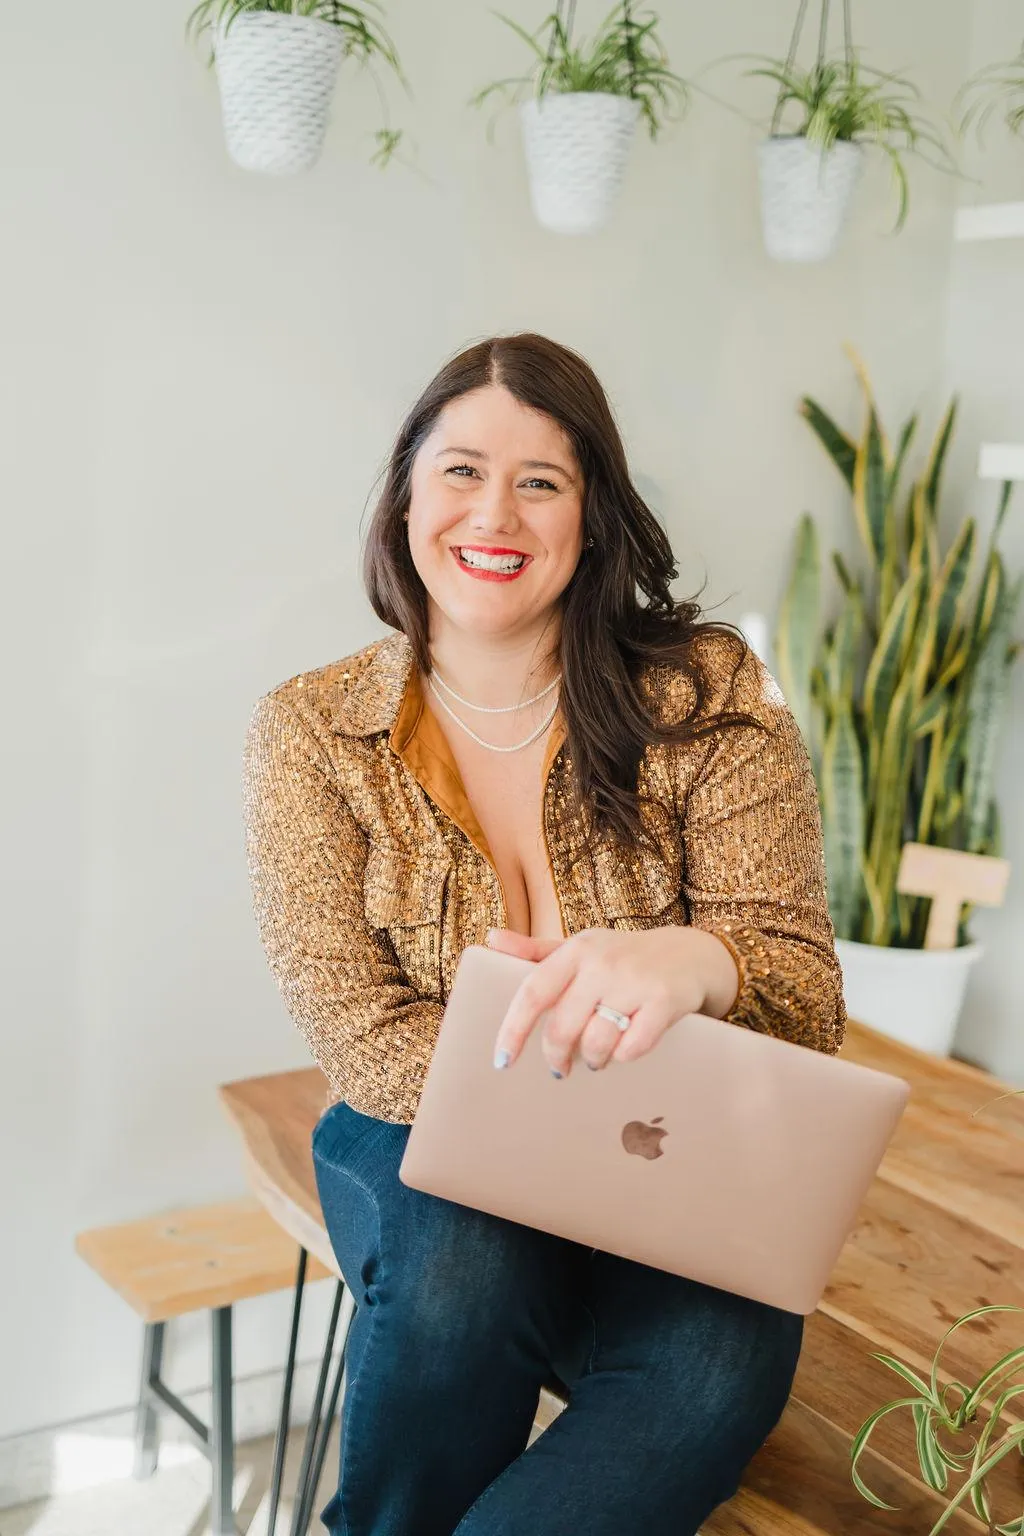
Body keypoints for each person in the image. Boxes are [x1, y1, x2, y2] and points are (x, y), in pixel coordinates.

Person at [242, 332, 846, 1536]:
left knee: (724, 1362)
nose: (495, 513)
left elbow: (804, 994)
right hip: (410, 1133)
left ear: (592, 516)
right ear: (407, 495)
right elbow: (359, 1032)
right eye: (461, 470)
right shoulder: (311, 728)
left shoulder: (708, 696)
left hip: (663, 1150)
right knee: (471, 1265)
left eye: (541, 481)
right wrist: (543, 1136)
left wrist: (703, 960)